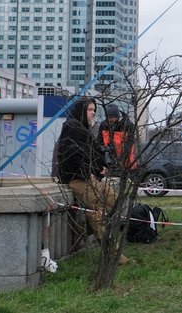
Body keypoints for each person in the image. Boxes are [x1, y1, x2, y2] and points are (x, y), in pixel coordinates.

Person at [55, 97, 129, 265]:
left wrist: (99, 167)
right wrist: (93, 170)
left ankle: (83, 230)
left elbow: (93, 153)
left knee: (114, 200)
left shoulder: (82, 128)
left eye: (94, 109)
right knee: (97, 212)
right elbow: (73, 159)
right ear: (82, 111)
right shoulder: (72, 128)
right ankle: (114, 255)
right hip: (76, 179)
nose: (93, 112)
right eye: (90, 109)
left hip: (88, 177)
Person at [96, 104, 137, 174]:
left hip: (125, 162)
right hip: (108, 161)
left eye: (109, 117)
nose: (108, 119)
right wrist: (104, 150)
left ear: (115, 117)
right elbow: (99, 141)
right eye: (107, 117)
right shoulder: (103, 124)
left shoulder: (128, 125)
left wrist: (121, 159)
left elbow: (129, 144)